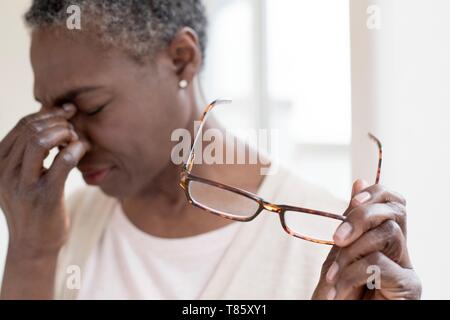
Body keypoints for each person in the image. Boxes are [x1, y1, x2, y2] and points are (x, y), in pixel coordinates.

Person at [0, 0, 421, 300]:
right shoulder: (61, 226)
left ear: (182, 59)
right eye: (49, 110)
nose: (68, 139)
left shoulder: (324, 242)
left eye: (92, 106)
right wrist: (30, 252)